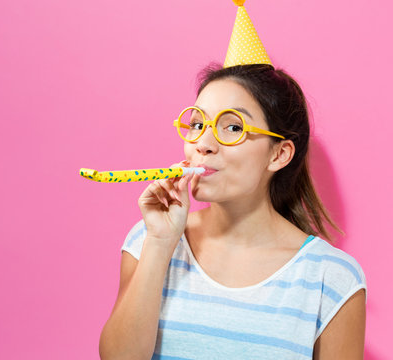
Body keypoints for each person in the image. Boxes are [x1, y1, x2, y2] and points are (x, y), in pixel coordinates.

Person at [98, 63, 367, 359]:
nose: (203, 144)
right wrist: (160, 244)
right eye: (198, 124)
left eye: (233, 127)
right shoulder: (147, 240)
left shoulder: (332, 278)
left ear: (279, 154)